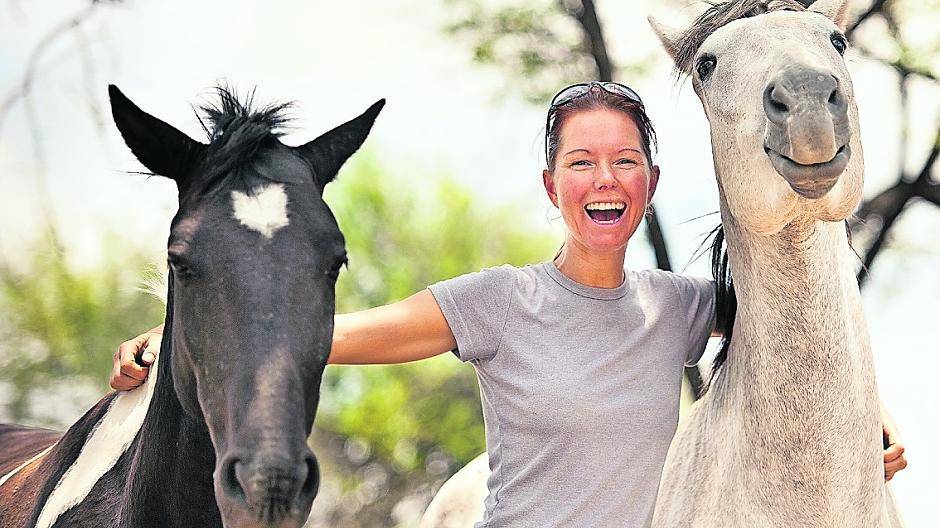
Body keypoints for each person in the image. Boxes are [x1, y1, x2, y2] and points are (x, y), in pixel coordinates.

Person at [111, 82, 907, 527]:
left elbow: (796, 345)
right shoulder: (498, 301)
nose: (604, 180)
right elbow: (332, 331)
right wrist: (173, 331)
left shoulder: (684, 307)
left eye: (625, 162)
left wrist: (868, 417)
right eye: (582, 161)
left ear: (649, 186)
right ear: (551, 184)